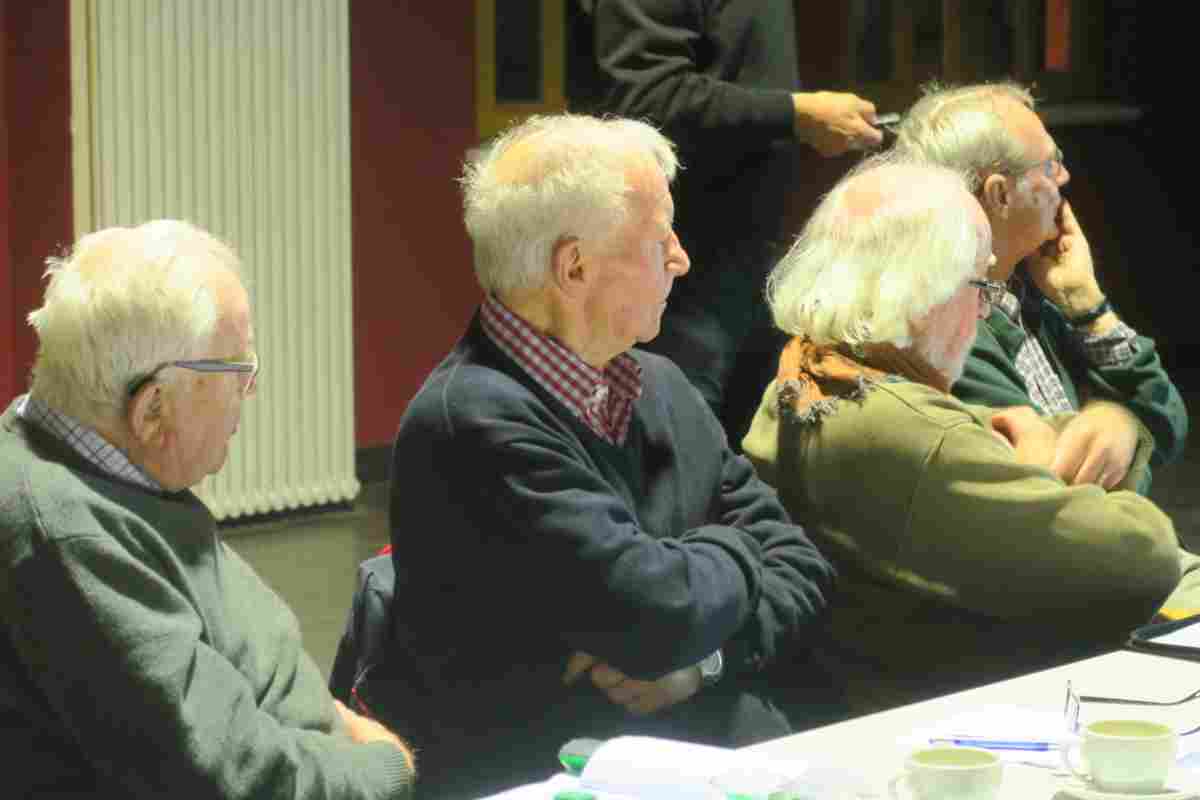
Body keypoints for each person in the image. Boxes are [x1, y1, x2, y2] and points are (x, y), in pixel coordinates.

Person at [381, 114, 837, 798]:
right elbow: (654, 613)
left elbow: (802, 566)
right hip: (552, 778)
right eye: (660, 239)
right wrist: (737, 550)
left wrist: (702, 662)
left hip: (696, 752)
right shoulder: (471, 421)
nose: (681, 259)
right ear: (574, 267)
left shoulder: (662, 386)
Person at [741, 155, 1200, 715]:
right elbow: (1143, 557)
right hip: (957, 721)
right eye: (980, 286)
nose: (984, 312)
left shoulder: (813, 374)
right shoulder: (899, 430)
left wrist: (1116, 425)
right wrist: (1048, 467)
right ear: (917, 290)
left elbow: (1003, 432)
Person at [0, 221, 415, 798]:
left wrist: (333, 722)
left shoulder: (108, 464)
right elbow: (229, 778)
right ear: (152, 409)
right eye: (237, 371)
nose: (250, 391)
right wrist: (384, 767)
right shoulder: (66, 536)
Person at [567, 0, 884, 446]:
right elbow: (644, 100)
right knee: (673, 455)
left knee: (748, 457)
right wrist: (794, 114)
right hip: (673, 275)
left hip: (753, 259)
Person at [893, 81, 1187, 494]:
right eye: (1050, 166)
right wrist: (1128, 432)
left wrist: (1086, 305)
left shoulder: (1023, 288)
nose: (1065, 177)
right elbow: (1067, 493)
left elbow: (1169, 420)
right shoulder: (949, 329)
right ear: (1000, 195)